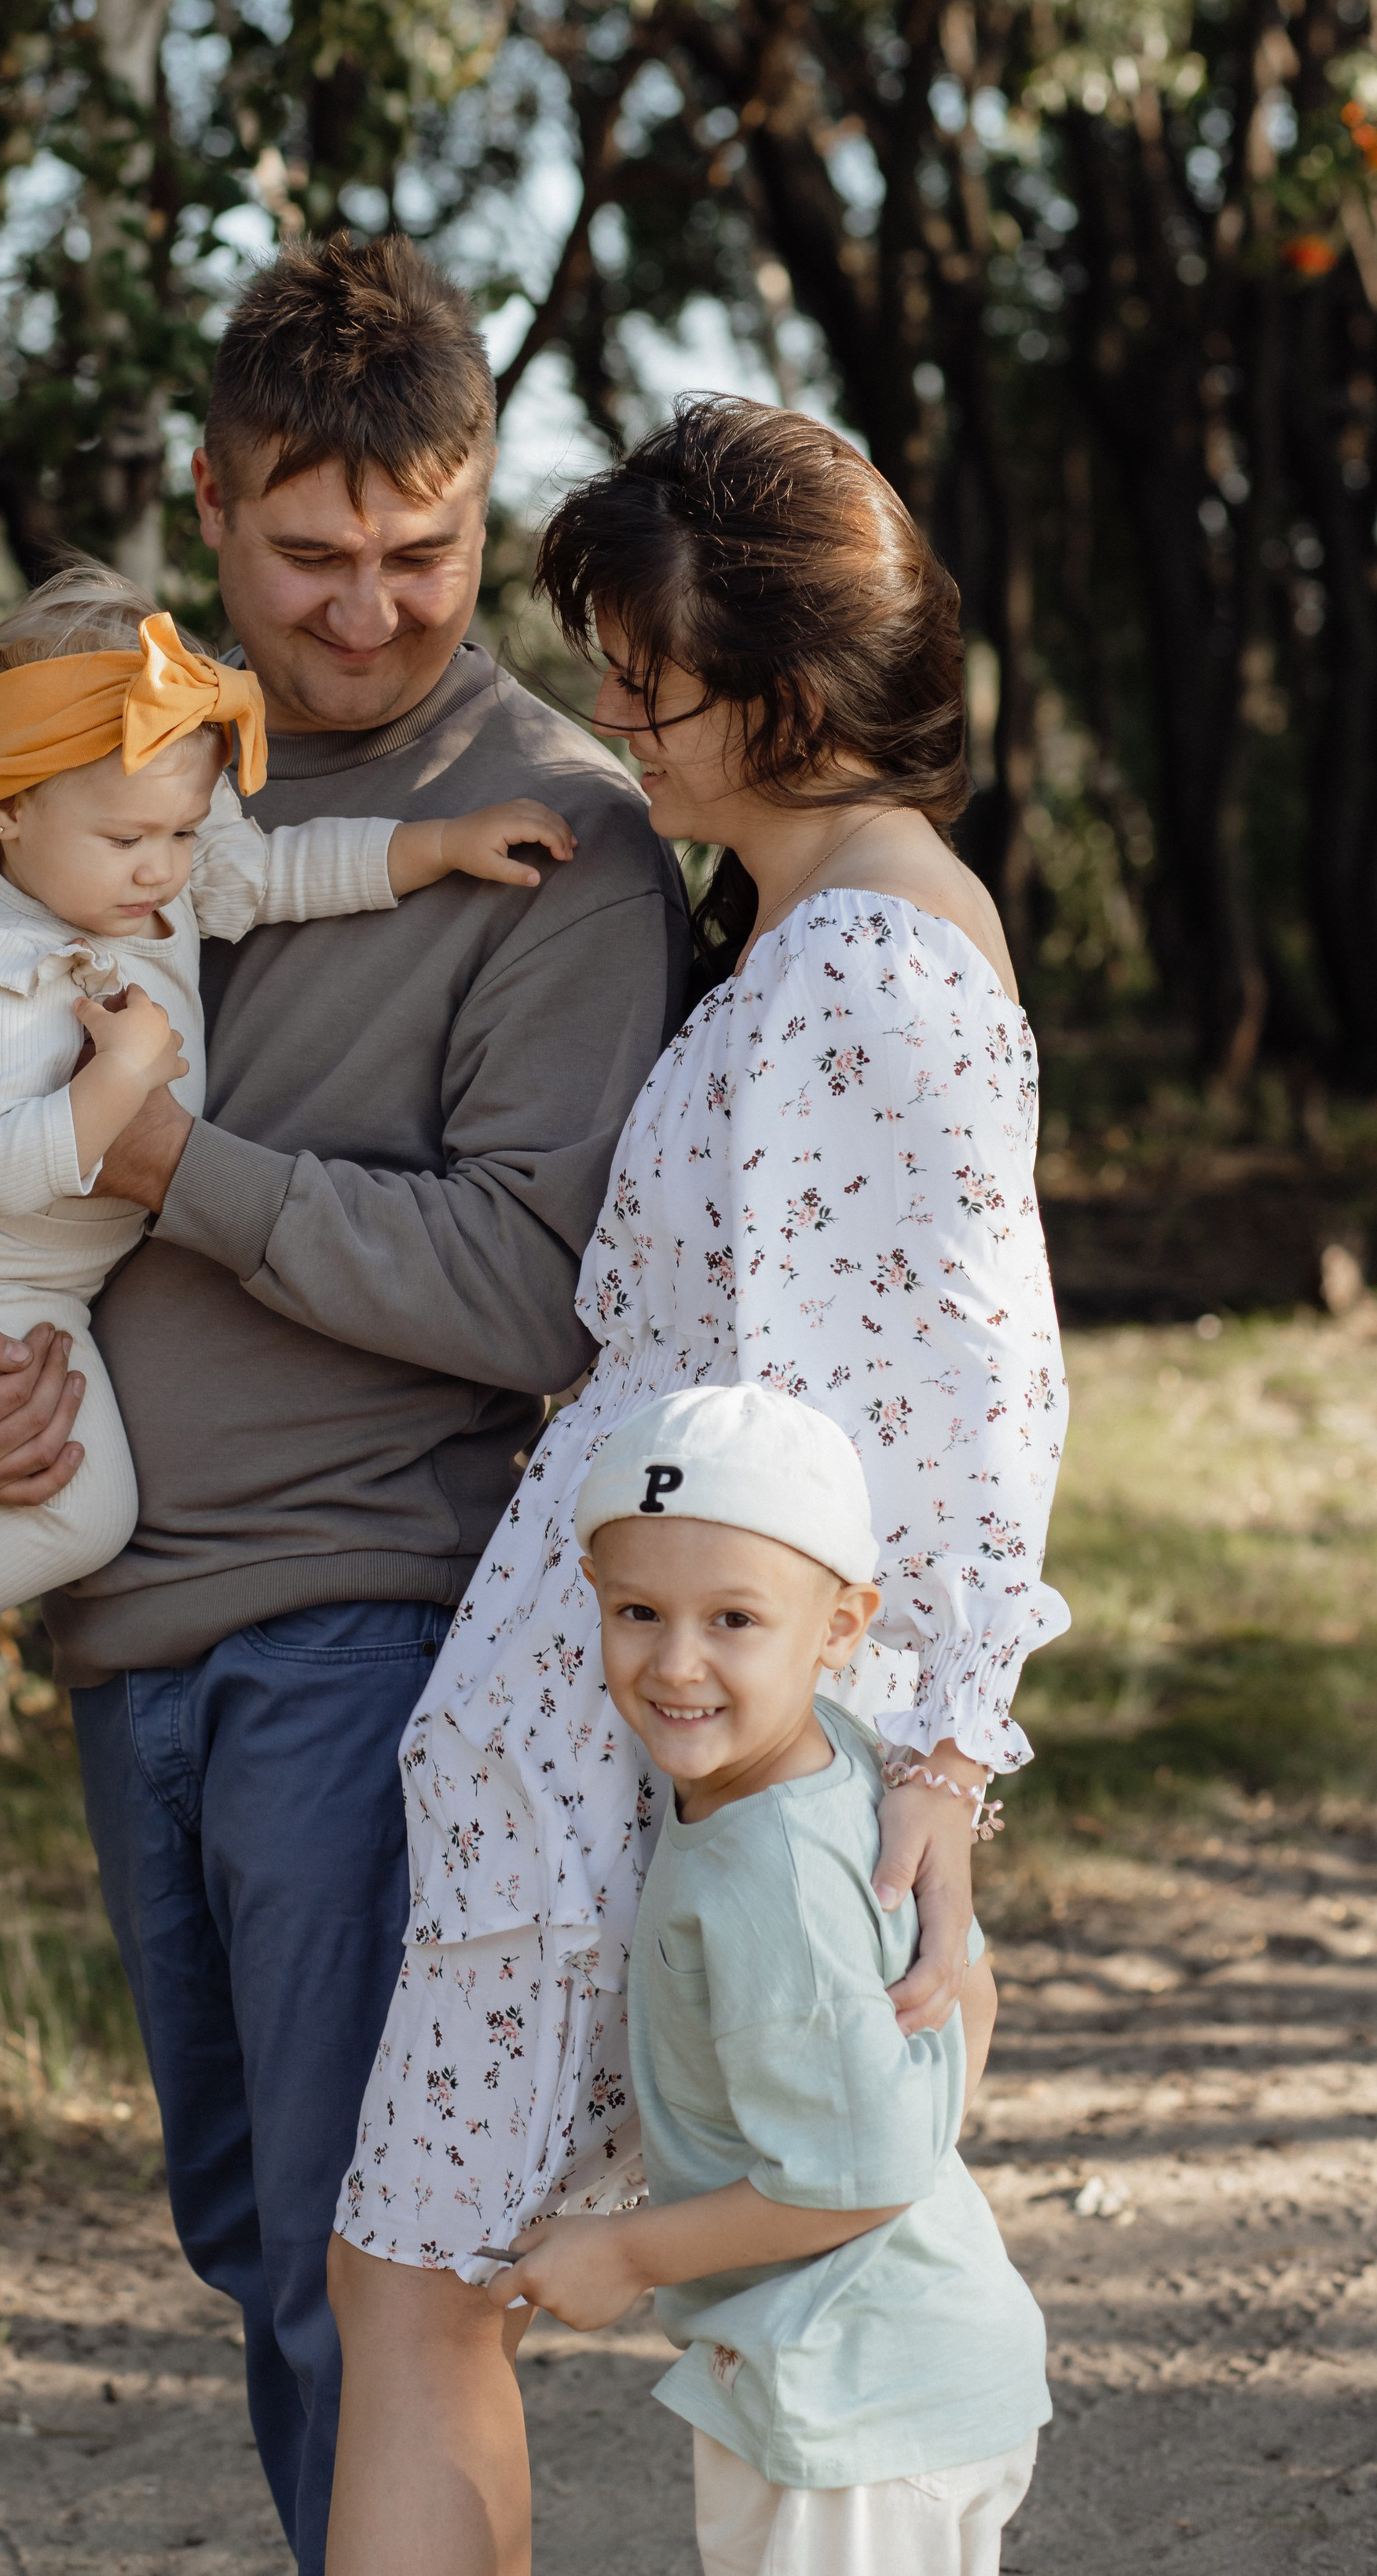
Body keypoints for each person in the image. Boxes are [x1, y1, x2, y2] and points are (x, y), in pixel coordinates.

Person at [0, 233, 693, 2574]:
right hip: (122, 1625)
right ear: (208, 500)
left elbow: (529, 1286)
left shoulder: (560, 838)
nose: (371, 611)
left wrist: (171, 1168)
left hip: (371, 1625)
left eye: (424, 551)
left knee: (361, 2268)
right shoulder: (97, 749)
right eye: (312, 553)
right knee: (248, 2237)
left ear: (484, 502)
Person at [327, 394, 1070, 2576]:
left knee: (421, 2289)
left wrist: (940, 1769)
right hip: (614, 1729)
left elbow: (970, 1404)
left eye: (650, 681)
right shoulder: (816, 935)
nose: (618, 719)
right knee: (428, 2288)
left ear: (790, 701)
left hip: (626, 1751)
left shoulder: (865, 970)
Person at [0, 560, 575, 1801]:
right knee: (77, 1513)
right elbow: (5, 1168)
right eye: (129, 840)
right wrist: (127, 1080)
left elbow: (286, 873)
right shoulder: (0, 970)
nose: (163, 872)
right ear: (10, 818)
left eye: (184, 833)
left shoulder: (134, 873)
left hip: (44, 1262)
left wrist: (441, 846)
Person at [487, 1380, 1049, 2576]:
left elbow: (861, 2174)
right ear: (593, 1593)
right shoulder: (842, 1760)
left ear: (841, 1627)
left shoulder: (770, 1877)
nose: (677, 1662)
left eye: (734, 1619)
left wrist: (625, 2253)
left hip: (857, 2399)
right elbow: (972, 1994)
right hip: (893, 2358)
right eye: (640, 1611)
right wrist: (894, 2139)